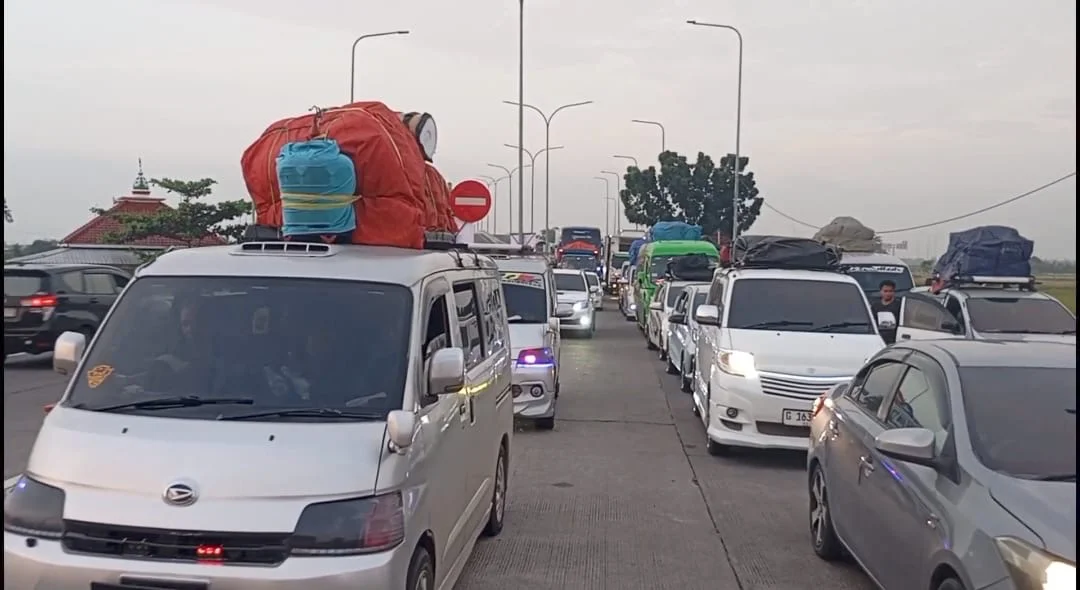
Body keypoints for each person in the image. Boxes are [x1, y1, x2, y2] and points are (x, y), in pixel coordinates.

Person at [872, 280, 902, 344]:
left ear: (894, 292)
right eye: (885, 291)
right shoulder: (875, 306)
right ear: (881, 291)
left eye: (890, 291)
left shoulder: (899, 305)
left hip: (894, 339)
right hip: (879, 339)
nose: (888, 294)